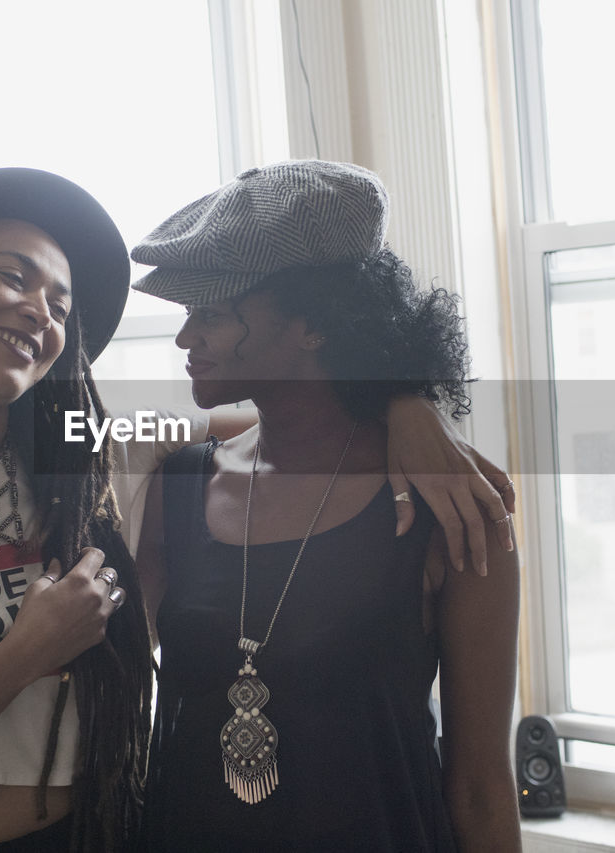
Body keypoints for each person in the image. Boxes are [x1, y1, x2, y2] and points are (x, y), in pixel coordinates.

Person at [0, 166, 513, 852]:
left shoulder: (96, 448)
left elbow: (276, 421)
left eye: (60, 301)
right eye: (13, 274)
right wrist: (24, 652)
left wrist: (409, 402)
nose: (38, 310)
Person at [131, 160, 522, 851]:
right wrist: (407, 400)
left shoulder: (450, 508)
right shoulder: (180, 488)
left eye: (213, 313)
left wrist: (405, 405)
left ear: (313, 324)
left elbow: (481, 790)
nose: (186, 338)